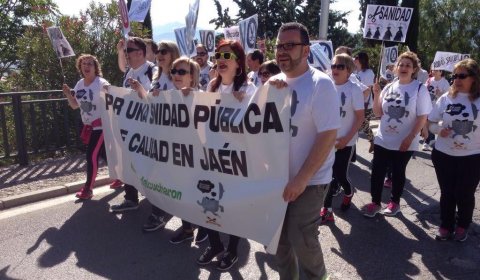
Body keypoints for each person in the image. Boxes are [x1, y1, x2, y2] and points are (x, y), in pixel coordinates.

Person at [271, 22, 340, 280]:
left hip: (310, 181)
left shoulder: (320, 84)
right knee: (277, 240)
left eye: (290, 45)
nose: (282, 51)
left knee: (301, 237)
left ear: (306, 50)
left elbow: (328, 135)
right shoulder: (273, 84)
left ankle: (316, 277)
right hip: (275, 179)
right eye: (279, 45)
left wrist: (301, 179)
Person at [195, 40, 257, 271]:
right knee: (207, 201)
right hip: (211, 156)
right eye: (219, 55)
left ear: (238, 63)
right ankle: (214, 245)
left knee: (232, 207)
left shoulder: (249, 90)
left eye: (227, 56)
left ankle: (231, 250)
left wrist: (245, 106)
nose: (221, 60)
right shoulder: (212, 85)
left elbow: (257, 125)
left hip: (236, 159)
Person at [110, 37, 171, 233]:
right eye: (125, 50)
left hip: (150, 131)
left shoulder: (152, 70)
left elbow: (154, 99)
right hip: (132, 129)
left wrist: (140, 91)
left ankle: (160, 211)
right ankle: (131, 198)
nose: (126, 53)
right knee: (129, 163)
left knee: (153, 171)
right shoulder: (130, 70)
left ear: (140, 53)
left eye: (129, 50)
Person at [363, 51, 432, 218]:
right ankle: (375, 202)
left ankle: (395, 202)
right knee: (378, 171)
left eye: (408, 65)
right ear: (396, 68)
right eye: (401, 64)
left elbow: (423, 116)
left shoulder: (419, 89)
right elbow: (379, 113)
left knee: (397, 171)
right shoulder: (389, 86)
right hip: (383, 137)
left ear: (414, 69)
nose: (404, 67)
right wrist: (377, 93)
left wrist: (410, 137)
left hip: (405, 140)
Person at [428, 58, 480, 242]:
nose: (456, 79)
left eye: (462, 76)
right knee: (447, 192)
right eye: (455, 75)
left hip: (472, 158)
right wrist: (438, 130)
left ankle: (463, 225)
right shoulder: (446, 98)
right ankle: (446, 225)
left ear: (473, 78)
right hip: (444, 155)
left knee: (464, 194)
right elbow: (431, 122)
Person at [320, 54, 364, 224]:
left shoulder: (354, 89)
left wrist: (347, 138)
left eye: (340, 66)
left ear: (348, 70)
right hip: (327, 141)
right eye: (333, 66)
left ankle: (348, 192)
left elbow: (360, 117)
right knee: (328, 176)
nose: (335, 69)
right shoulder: (326, 85)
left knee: (340, 175)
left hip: (345, 141)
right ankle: (328, 210)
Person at [62, 54, 109, 199]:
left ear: (96, 67)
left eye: (90, 64)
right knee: (103, 154)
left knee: (91, 155)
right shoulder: (79, 84)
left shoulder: (101, 83)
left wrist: (110, 89)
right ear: (80, 67)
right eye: (84, 64)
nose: (87, 66)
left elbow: (112, 97)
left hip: (101, 126)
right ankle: (122, 176)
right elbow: (75, 105)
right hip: (88, 127)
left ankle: (88, 189)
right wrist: (68, 95)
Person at [422, 67, 450, 151]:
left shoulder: (445, 82)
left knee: (431, 123)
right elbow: (424, 90)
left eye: (436, 70)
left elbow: (448, 96)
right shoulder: (429, 80)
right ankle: (430, 140)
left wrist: (440, 93)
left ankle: (427, 142)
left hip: (437, 108)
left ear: (441, 72)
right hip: (427, 105)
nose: (433, 71)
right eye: (433, 70)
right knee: (426, 123)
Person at [354, 52, 376, 154]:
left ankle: (373, 140)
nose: (354, 59)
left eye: (356, 58)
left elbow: (367, 90)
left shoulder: (368, 73)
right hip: (355, 104)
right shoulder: (355, 72)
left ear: (361, 60)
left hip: (364, 105)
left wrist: (358, 103)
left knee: (362, 126)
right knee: (359, 126)